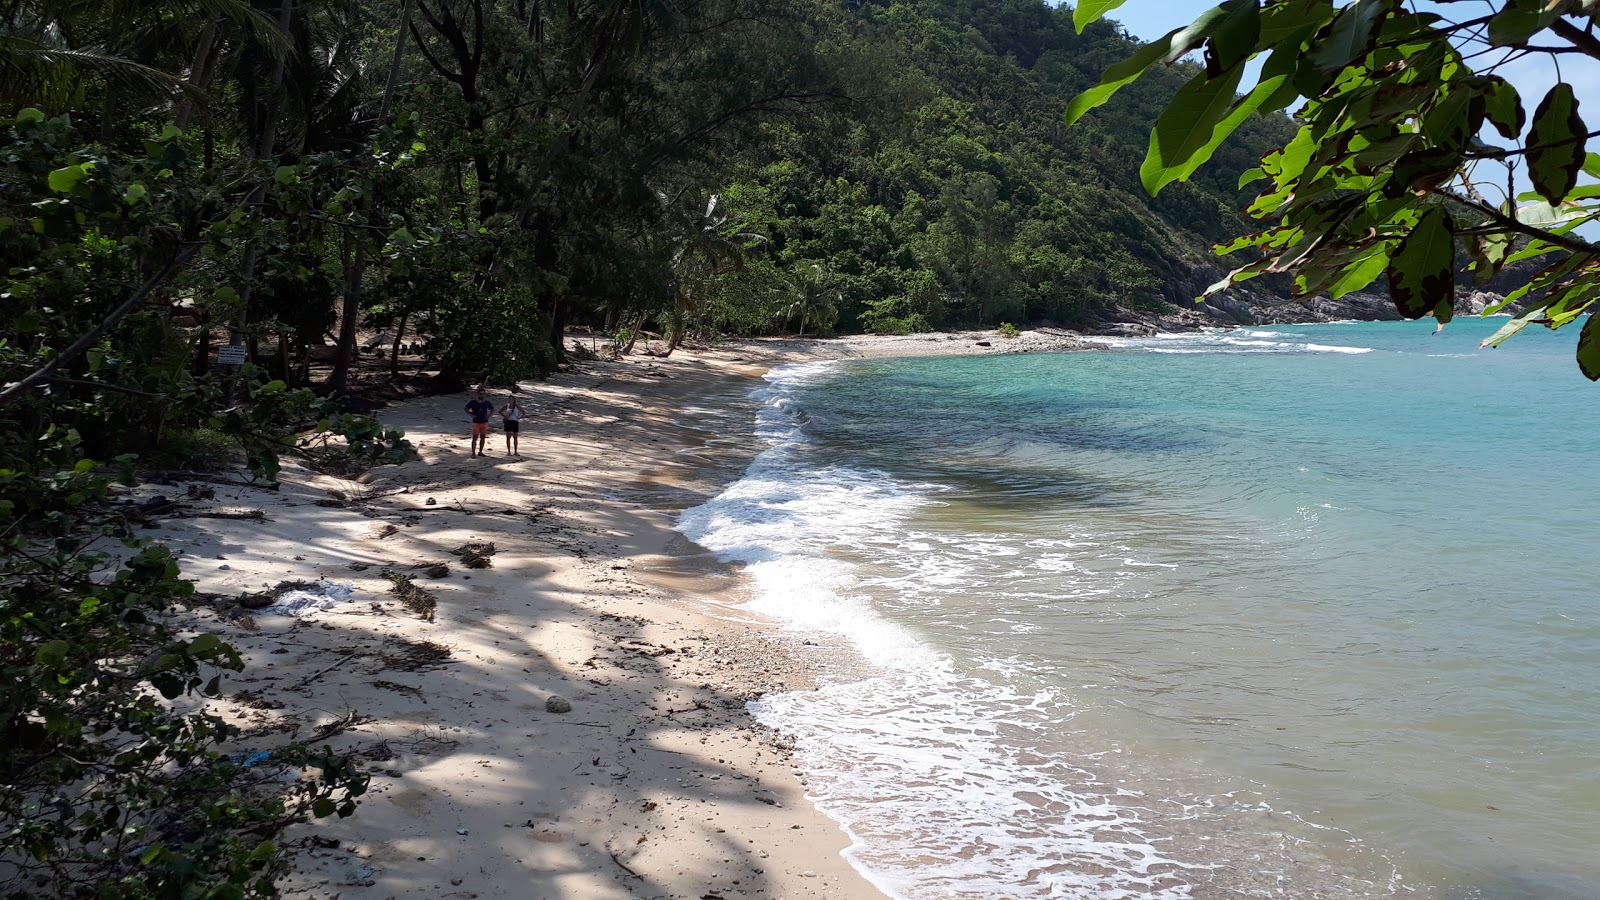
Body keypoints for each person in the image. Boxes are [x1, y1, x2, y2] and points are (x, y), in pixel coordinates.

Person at [464, 389, 495, 457]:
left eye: (483, 394)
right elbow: (466, 408)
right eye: (480, 394)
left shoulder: (486, 402)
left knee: (483, 438)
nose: (482, 395)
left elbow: (492, 409)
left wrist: (489, 416)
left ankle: (480, 451)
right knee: (475, 438)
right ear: (478, 394)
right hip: (476, 422)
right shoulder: (473, 402)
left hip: (484, 422)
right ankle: (473, 453)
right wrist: (471, 415)